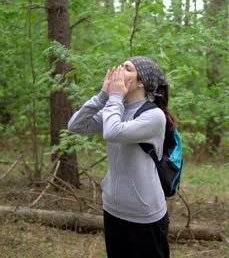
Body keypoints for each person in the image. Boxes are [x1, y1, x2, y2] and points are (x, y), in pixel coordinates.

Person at [68, 56, 176, 258]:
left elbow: (112, 132)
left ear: (141, 81)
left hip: (145, 215)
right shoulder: (118, 109)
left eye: (127, 68)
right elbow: (76, 125)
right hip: (113, 208)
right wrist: (102, 96)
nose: (118, 70)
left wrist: (114, 97)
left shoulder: (154, 116)